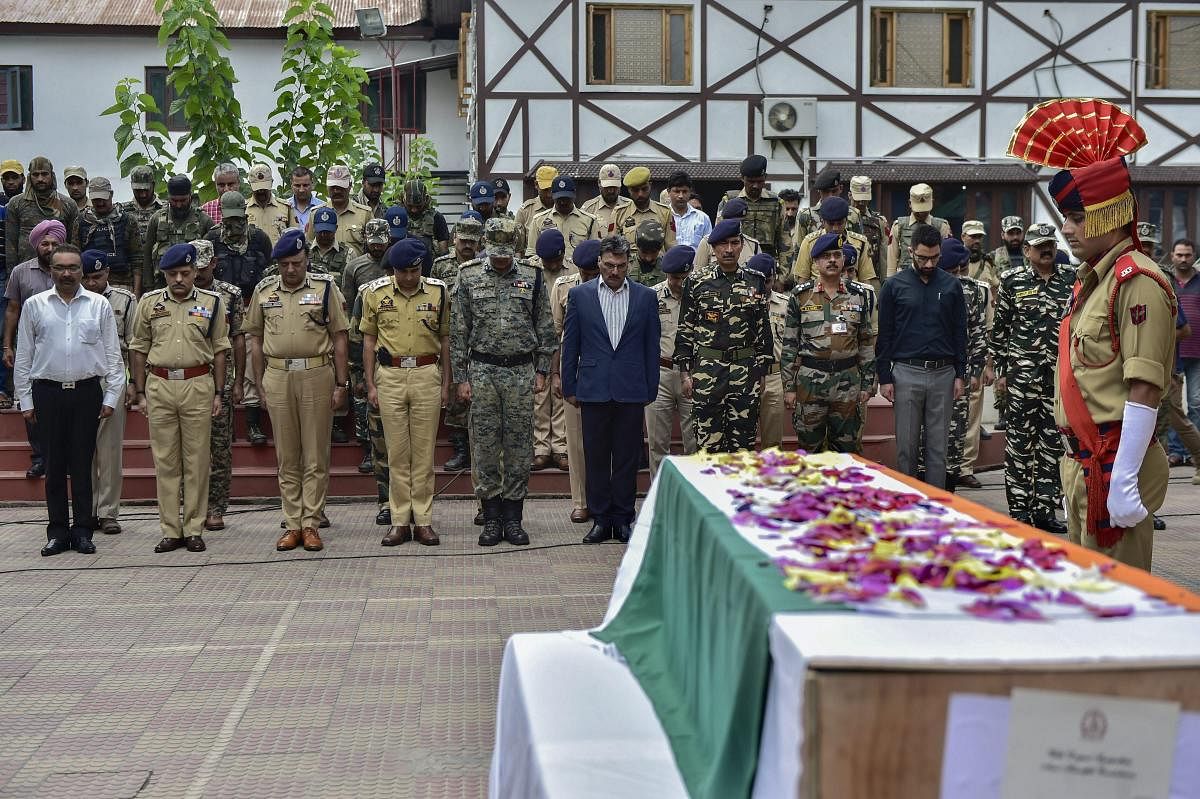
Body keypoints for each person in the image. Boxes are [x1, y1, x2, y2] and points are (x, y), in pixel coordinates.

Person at [1009, 98, 1175, 570]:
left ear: (1109, 214)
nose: (1067, 230)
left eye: (1078, 218)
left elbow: (1144, 384)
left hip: (1112, 464)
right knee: (1087, 596)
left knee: (1116, 599)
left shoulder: (1136, 280)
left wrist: (1123, 475)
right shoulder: (1093, 280)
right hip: (1082, 463)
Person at [451, 218, 557, 546]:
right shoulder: (468, 276)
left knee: (519, 446)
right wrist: (461, 378)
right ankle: (491, 516)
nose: (500, 260)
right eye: (495, 254)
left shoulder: (532, 275)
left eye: (505, 254)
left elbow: (545, 327)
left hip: (521, 372)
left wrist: (542, 371)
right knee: (483, 446)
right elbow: (458, 331)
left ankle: (513, 517)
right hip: (482, 371)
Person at [14, 244, 125, 556]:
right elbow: (24, 355)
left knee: (82, 464)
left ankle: (82, 531)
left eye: (73, 268)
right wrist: (25, 399)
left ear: (81, 271)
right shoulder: (35, 306)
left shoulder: (98, 305)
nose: (66, 273)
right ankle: (58, 532)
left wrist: (112, 394)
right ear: (51, 270)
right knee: (53, 465)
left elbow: (112, 354)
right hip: (47, 393)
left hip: (87, 391)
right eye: (60, 267)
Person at [245, 230, 350, 552]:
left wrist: (342, 383)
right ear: (277, 264)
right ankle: (292, 523)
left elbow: (341, 336)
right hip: (277, 375)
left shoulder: (325, 288)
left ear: (307, 261)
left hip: (316, 374)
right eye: (285, 264)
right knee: (287, 456)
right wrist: (259, 381)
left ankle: (311, 523)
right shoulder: (263, 291)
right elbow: (256, 339)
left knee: (316, 453)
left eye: (297, 263)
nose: (291, 270)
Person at [129, 243, 230, 553]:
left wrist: (219, 392)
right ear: (164, 275)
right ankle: (171, 529)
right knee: (166, 460)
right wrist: (141, 391)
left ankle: (194, 528)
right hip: (160, 384)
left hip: (198, 383)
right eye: (172, 274)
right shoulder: (148, 303)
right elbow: (138, 348)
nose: (178, 280)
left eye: (185, 273)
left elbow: (221, 349)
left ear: (196, 272)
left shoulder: (213, 303)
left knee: (198, 459)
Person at [561, 235, 659, 544]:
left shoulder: (645, 297)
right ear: (599, 264)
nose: (614, 271)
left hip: (631, 388)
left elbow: (650, 345)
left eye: (620, 265)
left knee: (628, 458)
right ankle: (601, 520)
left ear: (628, 263)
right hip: (593, 388)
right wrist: (569, 385)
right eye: (608, 265)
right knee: (597, 457)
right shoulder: (580, 296)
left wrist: (651, 386)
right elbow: (570, 345)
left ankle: (624, 518)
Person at [359, 238, 449, 546]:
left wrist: (446, 381)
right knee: (396, 454)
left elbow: (446, 339)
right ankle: (399, 520)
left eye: (414, 271)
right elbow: (369, 341)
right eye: (402, 272)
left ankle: (423, 520)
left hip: (426, 373)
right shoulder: (375, 293)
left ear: (422, 268)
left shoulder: (438, 292)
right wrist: (370, 383)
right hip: (391, 375)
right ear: (392, 270)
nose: (408, 278)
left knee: (423, 455)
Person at [877, 223, 967, 488]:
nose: (929, 264)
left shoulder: (951, 286)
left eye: (935, 257)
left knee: (938, 449)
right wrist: (885, 377)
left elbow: (960, 333)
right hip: (906, 372)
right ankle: (908, 503)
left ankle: (936, 505)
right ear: (910, 252)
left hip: (943, 374)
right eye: (923, 257)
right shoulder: (893, 286)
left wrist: (961, 373)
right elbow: (885, 335)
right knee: (906, 447)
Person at [674, 219, 774, 452]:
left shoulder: (755, 281)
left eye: (734, 243)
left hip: (745, 370)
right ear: (713, 248)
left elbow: (762, 329)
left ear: (741, 245)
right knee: (708, 447)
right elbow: (685, 329)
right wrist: (685, 373)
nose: (728, 250)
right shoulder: (696, 282)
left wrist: (762, 372)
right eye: (722, 245)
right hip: (708, 370)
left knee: (743, 447)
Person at [782, 234, 877, 453]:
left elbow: (865, 342)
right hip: (810, 382)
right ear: (815, 262)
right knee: (809, 449)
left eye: (837, 255)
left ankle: (843, 489)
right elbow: (789, 345)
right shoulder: (800, 296)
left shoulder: (858, 296)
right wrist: (789, 387)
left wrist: (867, 383)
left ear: (844, 260)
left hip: (848, 382)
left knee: (846, 450)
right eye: (826, 256)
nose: (832, 260)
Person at [4, 220, 68, 478]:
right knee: (31, 400)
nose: (50, 247)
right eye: (45, 243)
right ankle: (40, 457)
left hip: (64, 345)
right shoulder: (20, 272)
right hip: (31, 347)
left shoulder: (70, 271)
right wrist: (7, 345)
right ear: (36, 245)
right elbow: (12, 310)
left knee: (64, 400)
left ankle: (65, 457)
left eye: (55, 243)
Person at [189, 239, 245, 533]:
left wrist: (238, 383)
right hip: (188, 378)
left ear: (213, 263)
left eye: (202, 266)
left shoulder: (231, 295)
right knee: (190, 448)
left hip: (220, 381)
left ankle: (216, 507)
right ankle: (191, 506)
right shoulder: (181, 294)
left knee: (220, 448)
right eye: (192, 266)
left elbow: (238, 339)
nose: (196, 272)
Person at [80, 250, 137, 536]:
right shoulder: (73, 301)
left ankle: (108, 512)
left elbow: (135, 343)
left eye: (98, 277)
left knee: (110, 450)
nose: (92, 283)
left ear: (108, 275)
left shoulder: (125, 300)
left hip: (113, 377)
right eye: (87, 278)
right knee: (83, 449)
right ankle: (87, 510)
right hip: (81, 379)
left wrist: (133, 382)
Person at [551, 239, 603, 522]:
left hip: (605, 370)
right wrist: (557, 373)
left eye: (593, 273)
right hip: (576, 369)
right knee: (576, 440)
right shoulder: (563, 286)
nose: (588, 278)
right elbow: (554, 335)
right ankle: (581, 501)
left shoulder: (616, 286)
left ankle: (603, 498)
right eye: (584, 273)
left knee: (605, 440)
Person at [937, 239, 992, 492]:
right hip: (932, 369)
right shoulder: (926, 285)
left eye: (959, 269)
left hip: (963, 369)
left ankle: (956, 475)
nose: (957, 275)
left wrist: (979, 368)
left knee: (960, 428)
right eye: (951, 270)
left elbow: (981, 331)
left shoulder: (974, 291)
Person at [432, 214, 484, 472]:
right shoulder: (441, 266)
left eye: (472, 241)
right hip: (451, 335)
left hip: (481, 337)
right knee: (455, 390)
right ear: (454, 239)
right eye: (463, 240)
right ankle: (461, 447)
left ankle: (481, 451)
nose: (467, 245)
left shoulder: (486, 265)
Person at [644, 244, 698, 475]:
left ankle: (693, 497)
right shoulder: (652, 296)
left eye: (684, 277)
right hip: (661, 373)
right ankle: (660, 497)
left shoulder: (701, 295)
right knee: (657, 442)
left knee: (695, 441)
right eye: (675, 278)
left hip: (694, 373)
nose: (679, 283)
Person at [530, 229, 575, 471]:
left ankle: (560, 447)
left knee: (559, 395)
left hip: (562, 338)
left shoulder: (573, 271)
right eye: (548, 262)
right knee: (539, 394)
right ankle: (540, 448)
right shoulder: (531, 270)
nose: (553, 265)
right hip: (536, 339)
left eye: (556, 261)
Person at [141, 175, 214, 295]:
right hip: (161, 284)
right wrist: (148, 287)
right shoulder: (157, 219)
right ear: (168, 197)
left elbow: (212, 257)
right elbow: (147, 253)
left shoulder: (204, 220)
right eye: (174, 201)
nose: (179, 205)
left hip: (195, 286)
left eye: (183, 200)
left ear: (190, 196)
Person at [4, 157, 79, 269]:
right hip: (26, 271)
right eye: (35, 175)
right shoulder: (16, 203)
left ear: (52, 176)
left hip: (59, 271)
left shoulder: (68, 204)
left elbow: (74, 243)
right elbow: (11, 243)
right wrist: (11, 275)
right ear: (29, 177)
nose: (40, 179)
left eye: (44, 174)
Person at [747, 254, 789, 449]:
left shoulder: (785, 305)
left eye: (768, 281)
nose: (764, 287)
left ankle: (770, 480)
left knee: (773, 445)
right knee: (741, 441)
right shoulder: (739, 301)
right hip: (745, 376)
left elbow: (792, 344)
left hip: (774, 376)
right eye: (759, 281)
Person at [791, 196, 879, 288]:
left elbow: (866, 281)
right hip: (818, 297)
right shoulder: (810, 242)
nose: (835, 228)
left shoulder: (861, 243)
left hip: (852, 298)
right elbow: (802, 281)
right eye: (831, 224)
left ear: (846, 220)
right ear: (823, 221)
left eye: (840, 223)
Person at [75, 177, 141, 291]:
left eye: (103, 198)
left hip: (122, 283)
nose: (100, 203)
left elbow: (137, 258)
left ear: (111, 194)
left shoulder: (127, 219)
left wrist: (137, 292)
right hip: (89, 284)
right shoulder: (82, 220)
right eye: (96, 199)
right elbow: (75, 256)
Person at [717, 155, 784, 256]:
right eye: (751, 181)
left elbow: (784, 241)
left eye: (760, 181)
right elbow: (719, 236)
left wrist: (783, 271)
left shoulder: (776, 203)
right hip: (737, 261)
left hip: (766, 262)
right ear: (742, 178)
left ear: (765, 177)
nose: (755, 186)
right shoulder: (729, 201)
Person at [1168, 237, 1200, 439]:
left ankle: (1194, 449)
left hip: (1198, 353)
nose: (1183, 259)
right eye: (1179, 255)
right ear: (1172, 256)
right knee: (1174, 405)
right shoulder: (1165, 281)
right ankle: (1177, 451)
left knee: (1196, 402)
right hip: (1173, 353)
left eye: (1187, 255)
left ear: (1194, 256)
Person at [885, 183, 951, 280]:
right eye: (918, 210)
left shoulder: (942, 226)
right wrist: (890, 281)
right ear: (910, 204)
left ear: (932, 202)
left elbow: (947, 257)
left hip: (934, 278)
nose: (921, 213)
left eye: (925, 210)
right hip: (905, 280)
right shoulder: (899, 226)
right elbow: (892, 258)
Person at [527, 176, 600, 262]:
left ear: (574, 195)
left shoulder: (590, 221)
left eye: (566, 198)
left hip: (578, 273)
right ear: (552, 196)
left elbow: (595, 253)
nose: (563, 202)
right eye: (559, 199)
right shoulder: (538, 220)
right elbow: (532, 254)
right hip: (548, 272)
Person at [120, 166, 163, 291]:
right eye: (138, 190)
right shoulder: (122, 211)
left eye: (146, 189)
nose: (143, 194)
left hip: (159, 275)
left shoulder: (165, 210)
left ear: (153, 185)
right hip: (129, 276)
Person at [613, 167, 676, 250]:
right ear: (629, 190)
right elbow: (613, 247)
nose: (640, 194)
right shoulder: (619, 213)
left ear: (650, 185)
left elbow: (671, 246)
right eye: (635, 190)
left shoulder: (665, 212)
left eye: (644, 189)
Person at [318, 164, 372, 257]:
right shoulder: (317, 214)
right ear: (327, 187)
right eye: (333, 187)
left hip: (355, 269)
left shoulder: (364, 214)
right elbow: (310, 246)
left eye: (341, 187)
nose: (336, 191)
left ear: (350, 185)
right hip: (324, 270)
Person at [694, 198, 760, 268]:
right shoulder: (707, 242)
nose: (738, 225)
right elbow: (698, 271)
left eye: (742, 222)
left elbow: (759, 275)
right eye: (733, 222)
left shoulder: (753, 245)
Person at [514, 165, 557, 257]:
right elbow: (517, 248)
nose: (549, 194)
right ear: (536, 185)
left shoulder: (564, 208)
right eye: (545, 190)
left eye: (552, 189)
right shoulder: (525, 212)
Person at [848, 176, 889, 270]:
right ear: (849, 195)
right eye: (858, 199)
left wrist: (885, 282)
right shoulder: (841, 220)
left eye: (865, 199)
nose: (861, 203)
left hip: (872, 276)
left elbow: (884, 257)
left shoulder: (879, 221)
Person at [246, 164, 293, 245]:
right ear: (250, 184)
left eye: (264, 188)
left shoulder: (285, 208)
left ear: (271, 183)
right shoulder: (244, 209)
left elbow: (294, 236)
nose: (261, 191)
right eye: (258, 188)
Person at [580, 164, 632, 235]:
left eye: (614, 187)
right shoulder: (589, 209)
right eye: (607, 187)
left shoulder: (630, 206)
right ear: (599, 183)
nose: (611, 191)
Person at [404, 179, 450, 257]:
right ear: (403, 199)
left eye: (418, 206)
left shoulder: (437, 218)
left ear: (426, 199)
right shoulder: (397, 216)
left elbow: (444, 252)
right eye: (410, 206)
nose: (414, 210)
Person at [666, 170, 711, 249]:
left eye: (684, 191)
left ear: (690, 191)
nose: (681, 196)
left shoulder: (703, 218)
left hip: (696, 261)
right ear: (669, 192)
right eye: (677, 191)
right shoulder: (663, 216)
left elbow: (709, 247)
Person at [307, 207, 350, 279]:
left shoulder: (348, 254)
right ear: (314, 228)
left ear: (336, 228)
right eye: (320, 231)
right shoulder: (304, 251)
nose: (324, 235)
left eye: (328, 232)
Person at [286, 166, 325, 230]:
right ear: (291, 185)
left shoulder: (322, 208)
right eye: (297, 186)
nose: (301, 190)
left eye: (305, 185)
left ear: (312, 184)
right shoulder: (285, 208)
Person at [629, 220, 667, 286]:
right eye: (644, 252)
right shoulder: (625, 266)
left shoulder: (667, 267)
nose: (648, 258)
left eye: (654, 252)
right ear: (637, 247)